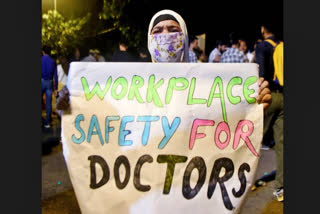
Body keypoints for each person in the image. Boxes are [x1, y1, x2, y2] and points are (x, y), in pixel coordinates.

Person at [57, 9, 271, 118]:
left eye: (173, 30)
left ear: (185, 37)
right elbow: (109, 118)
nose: (165, 36)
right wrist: (73, 105)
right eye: (158, 31)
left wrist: (252, 106)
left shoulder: (207, 83)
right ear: (150, 40)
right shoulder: (134, 84)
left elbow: (223, 120)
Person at [255, 22, 283, 202]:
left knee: (251, 140)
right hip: (283, 96)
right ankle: (280, 186)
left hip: (268, 97)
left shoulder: (262, 46)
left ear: (263, 29)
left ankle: (242, 180)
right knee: (281, 143)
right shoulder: (281, 46)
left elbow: (260, 73)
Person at [41, 46, 58, 128]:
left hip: (41, 81)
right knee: (48, 103)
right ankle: (47, 123)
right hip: (50, 83)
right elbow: (56, 76)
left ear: (43, 51)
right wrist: (56, 88)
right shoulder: (53, 61)